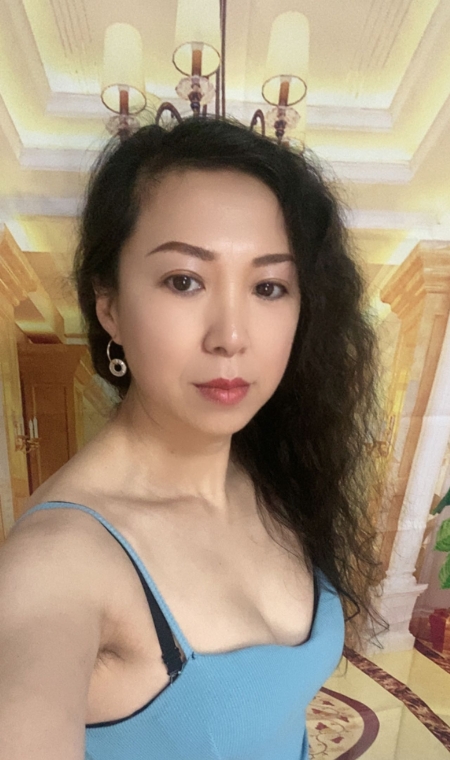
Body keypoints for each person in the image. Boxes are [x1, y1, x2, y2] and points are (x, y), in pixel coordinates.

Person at [0, 115, 387, 760]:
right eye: (184, 281)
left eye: (268, 287)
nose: (231, 336)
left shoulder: (273, 472)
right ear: (109, 306)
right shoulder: (58, 562)